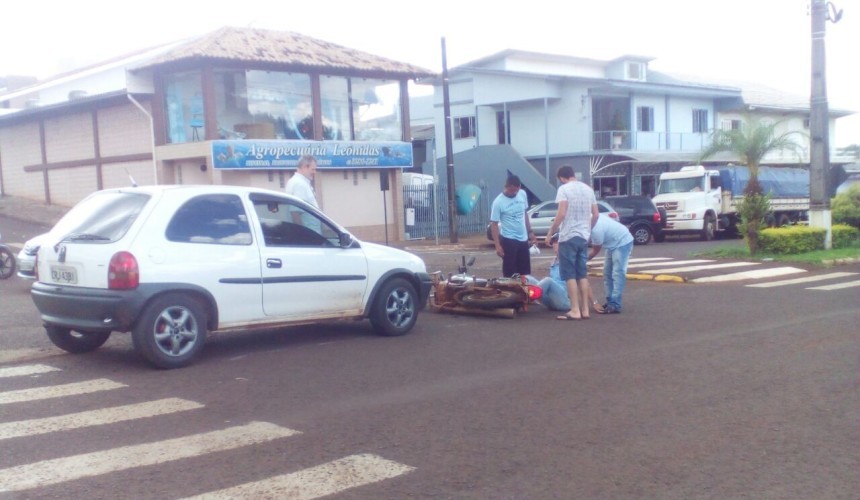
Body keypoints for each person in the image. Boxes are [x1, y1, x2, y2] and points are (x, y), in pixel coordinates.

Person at [544, 165, 599, 320]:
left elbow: (561, 213)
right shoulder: (588, 190)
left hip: (568, 236)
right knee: (582, 274)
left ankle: (575, 310)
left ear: (562, 178)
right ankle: (585, 310)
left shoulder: (564, 189)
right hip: (583, 237)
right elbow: (596, 215)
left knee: (570, 275)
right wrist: (587, 229)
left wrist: (551, 232)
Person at [537, 234, 603, 313]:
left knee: (547, 280)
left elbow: (585, 284)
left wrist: (594, 303)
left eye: (557, 243)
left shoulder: (570, 261)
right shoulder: (554, 260)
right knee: (528, 278)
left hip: (563, 300)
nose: (555, 245)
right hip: (552, 299)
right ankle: (526, 296)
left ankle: (526, 297)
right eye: (554, 243)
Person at [489, 175, 537, 277]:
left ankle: (524, 291)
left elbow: (524, 214)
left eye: (515, 191)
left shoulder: (522, 194)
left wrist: (530, 232)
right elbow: (494, 224)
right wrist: (497, 245)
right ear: (506, 187)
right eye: (511, 191)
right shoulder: (498, 202)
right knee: (510, 273)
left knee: (525, 273)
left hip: (523, 239)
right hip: (508, 240)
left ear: (519, 187)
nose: (513, 193)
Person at [588, 214, 634, 314]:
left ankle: (615, 304)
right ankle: (610, 301)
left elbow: (595, 250)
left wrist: (584, 260)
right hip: (611, 243)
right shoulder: (589, 218)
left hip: (623, 241)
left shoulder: (596, 230)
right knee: (607, 273)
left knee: (618, 272)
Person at [285, 155, 320, 229]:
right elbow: (295, 213)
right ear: (304, 167)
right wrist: (302, 234)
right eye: (313, 169)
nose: (315, 172)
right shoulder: (299, 184)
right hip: (308, 236)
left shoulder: (299, 182)